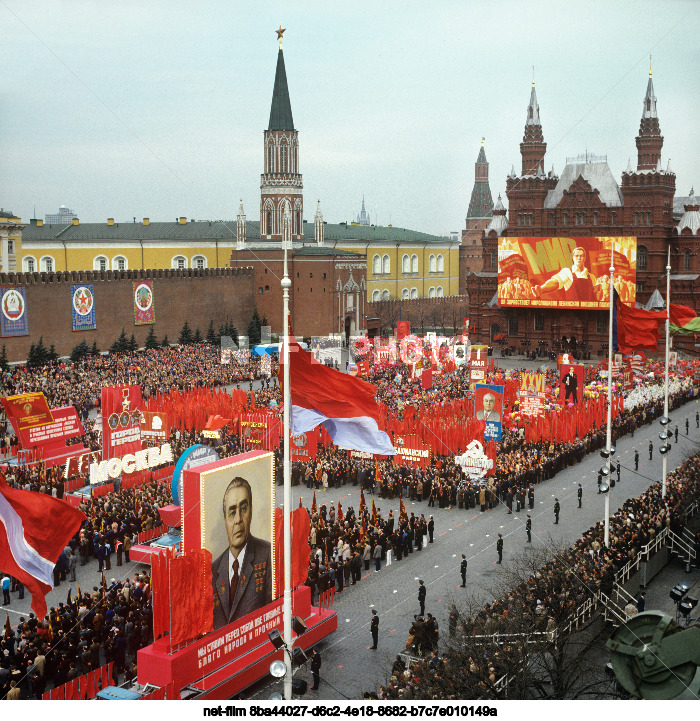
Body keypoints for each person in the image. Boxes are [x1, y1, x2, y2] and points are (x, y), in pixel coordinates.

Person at [212, 477, 272, 630]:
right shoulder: (213, 570)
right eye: (232, 512)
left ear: (250, 512)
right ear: (225, 521)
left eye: (243, 509)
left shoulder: (266, 554)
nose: (238, 519)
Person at [530, 246, 598, 303]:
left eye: (581, 256)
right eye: (576, 256)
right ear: (573, 258)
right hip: (572, 313)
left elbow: (594, 296)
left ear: (585, 258)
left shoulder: (592, 277)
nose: (579, 258)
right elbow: (555, 282)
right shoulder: (567, 272)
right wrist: (542, 289)